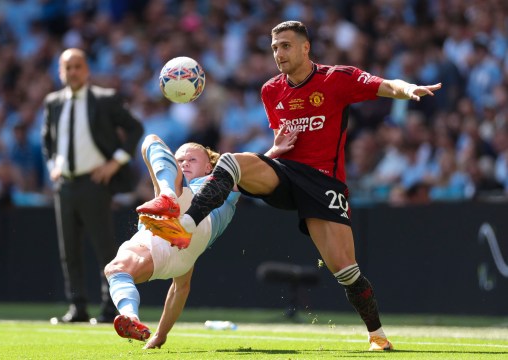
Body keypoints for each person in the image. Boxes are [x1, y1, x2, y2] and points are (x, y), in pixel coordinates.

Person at [142, 21, 442, 351]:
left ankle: (377, 335)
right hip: (284, 174)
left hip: (323, 183)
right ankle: (184, 223)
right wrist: (272, 152)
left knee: (346, 271)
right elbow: (281, 141)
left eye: (285, 46)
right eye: (274, 48)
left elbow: (384, 84)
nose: (279, 54)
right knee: (231, 161)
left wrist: (408, 89)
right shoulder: (271, 90)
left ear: (305, 48)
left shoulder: (335, 78)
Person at [103, 134, 241, 349]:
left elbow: (253, 167)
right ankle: (130, 317)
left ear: (208, 167)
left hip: (197, 218)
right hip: (173, 251)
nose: (184, 162)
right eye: (179, 160)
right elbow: (180, 289)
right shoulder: (173, 181)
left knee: (151, 140)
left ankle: (167, 197)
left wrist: (275, 150)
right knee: (115, 269)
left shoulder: (220, 179)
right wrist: (160, 335)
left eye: (192, 160)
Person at [41, 48, 143, 324]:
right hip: (65, 185)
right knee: (69, 251)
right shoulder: (53, 102)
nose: (72, 71)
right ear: (61, 72)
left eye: (77, 66)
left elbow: (135, 128)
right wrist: (53, 167)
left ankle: (110, 309)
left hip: (94, 183)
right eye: (67, 67)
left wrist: (115, 163)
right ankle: (77, 308)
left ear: (86, 70)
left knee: (104, 249)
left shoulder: (104, 99)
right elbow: (47, 141)